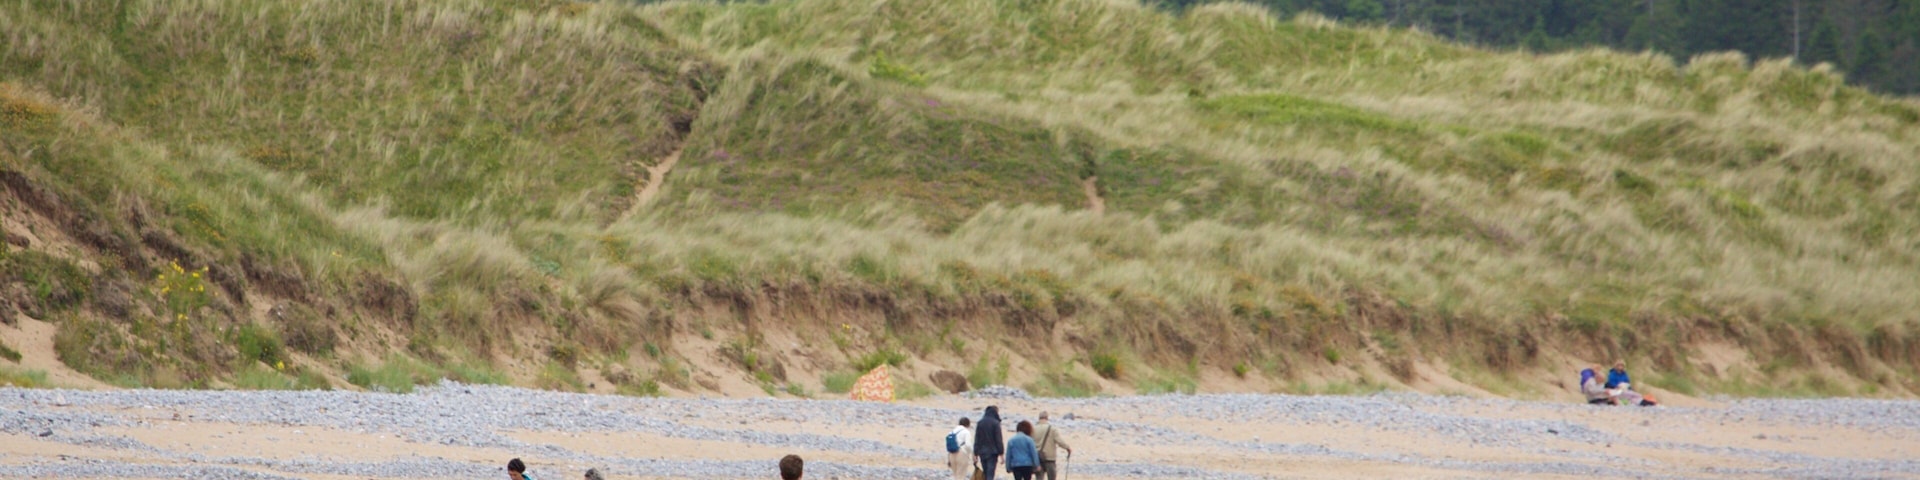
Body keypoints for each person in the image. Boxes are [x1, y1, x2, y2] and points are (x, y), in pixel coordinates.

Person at [1031, 412, 1072, 480]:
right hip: (1050, 458)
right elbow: (1059, 441)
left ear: (1039, 418)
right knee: (1052, 477)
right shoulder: (1052, 429)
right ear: (1047, 418)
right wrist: (1068, 448)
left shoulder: (1033, 429)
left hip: (1037, 458)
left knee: (1039, 478)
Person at [974, 406, 1004, 480]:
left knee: (985, 471)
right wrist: (1001, 453)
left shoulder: (980, 423)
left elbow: (977, 439)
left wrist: (975, 453)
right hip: (992, 453)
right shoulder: (996, 423)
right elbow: (998, 439)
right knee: (990, 473)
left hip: (982, 452)